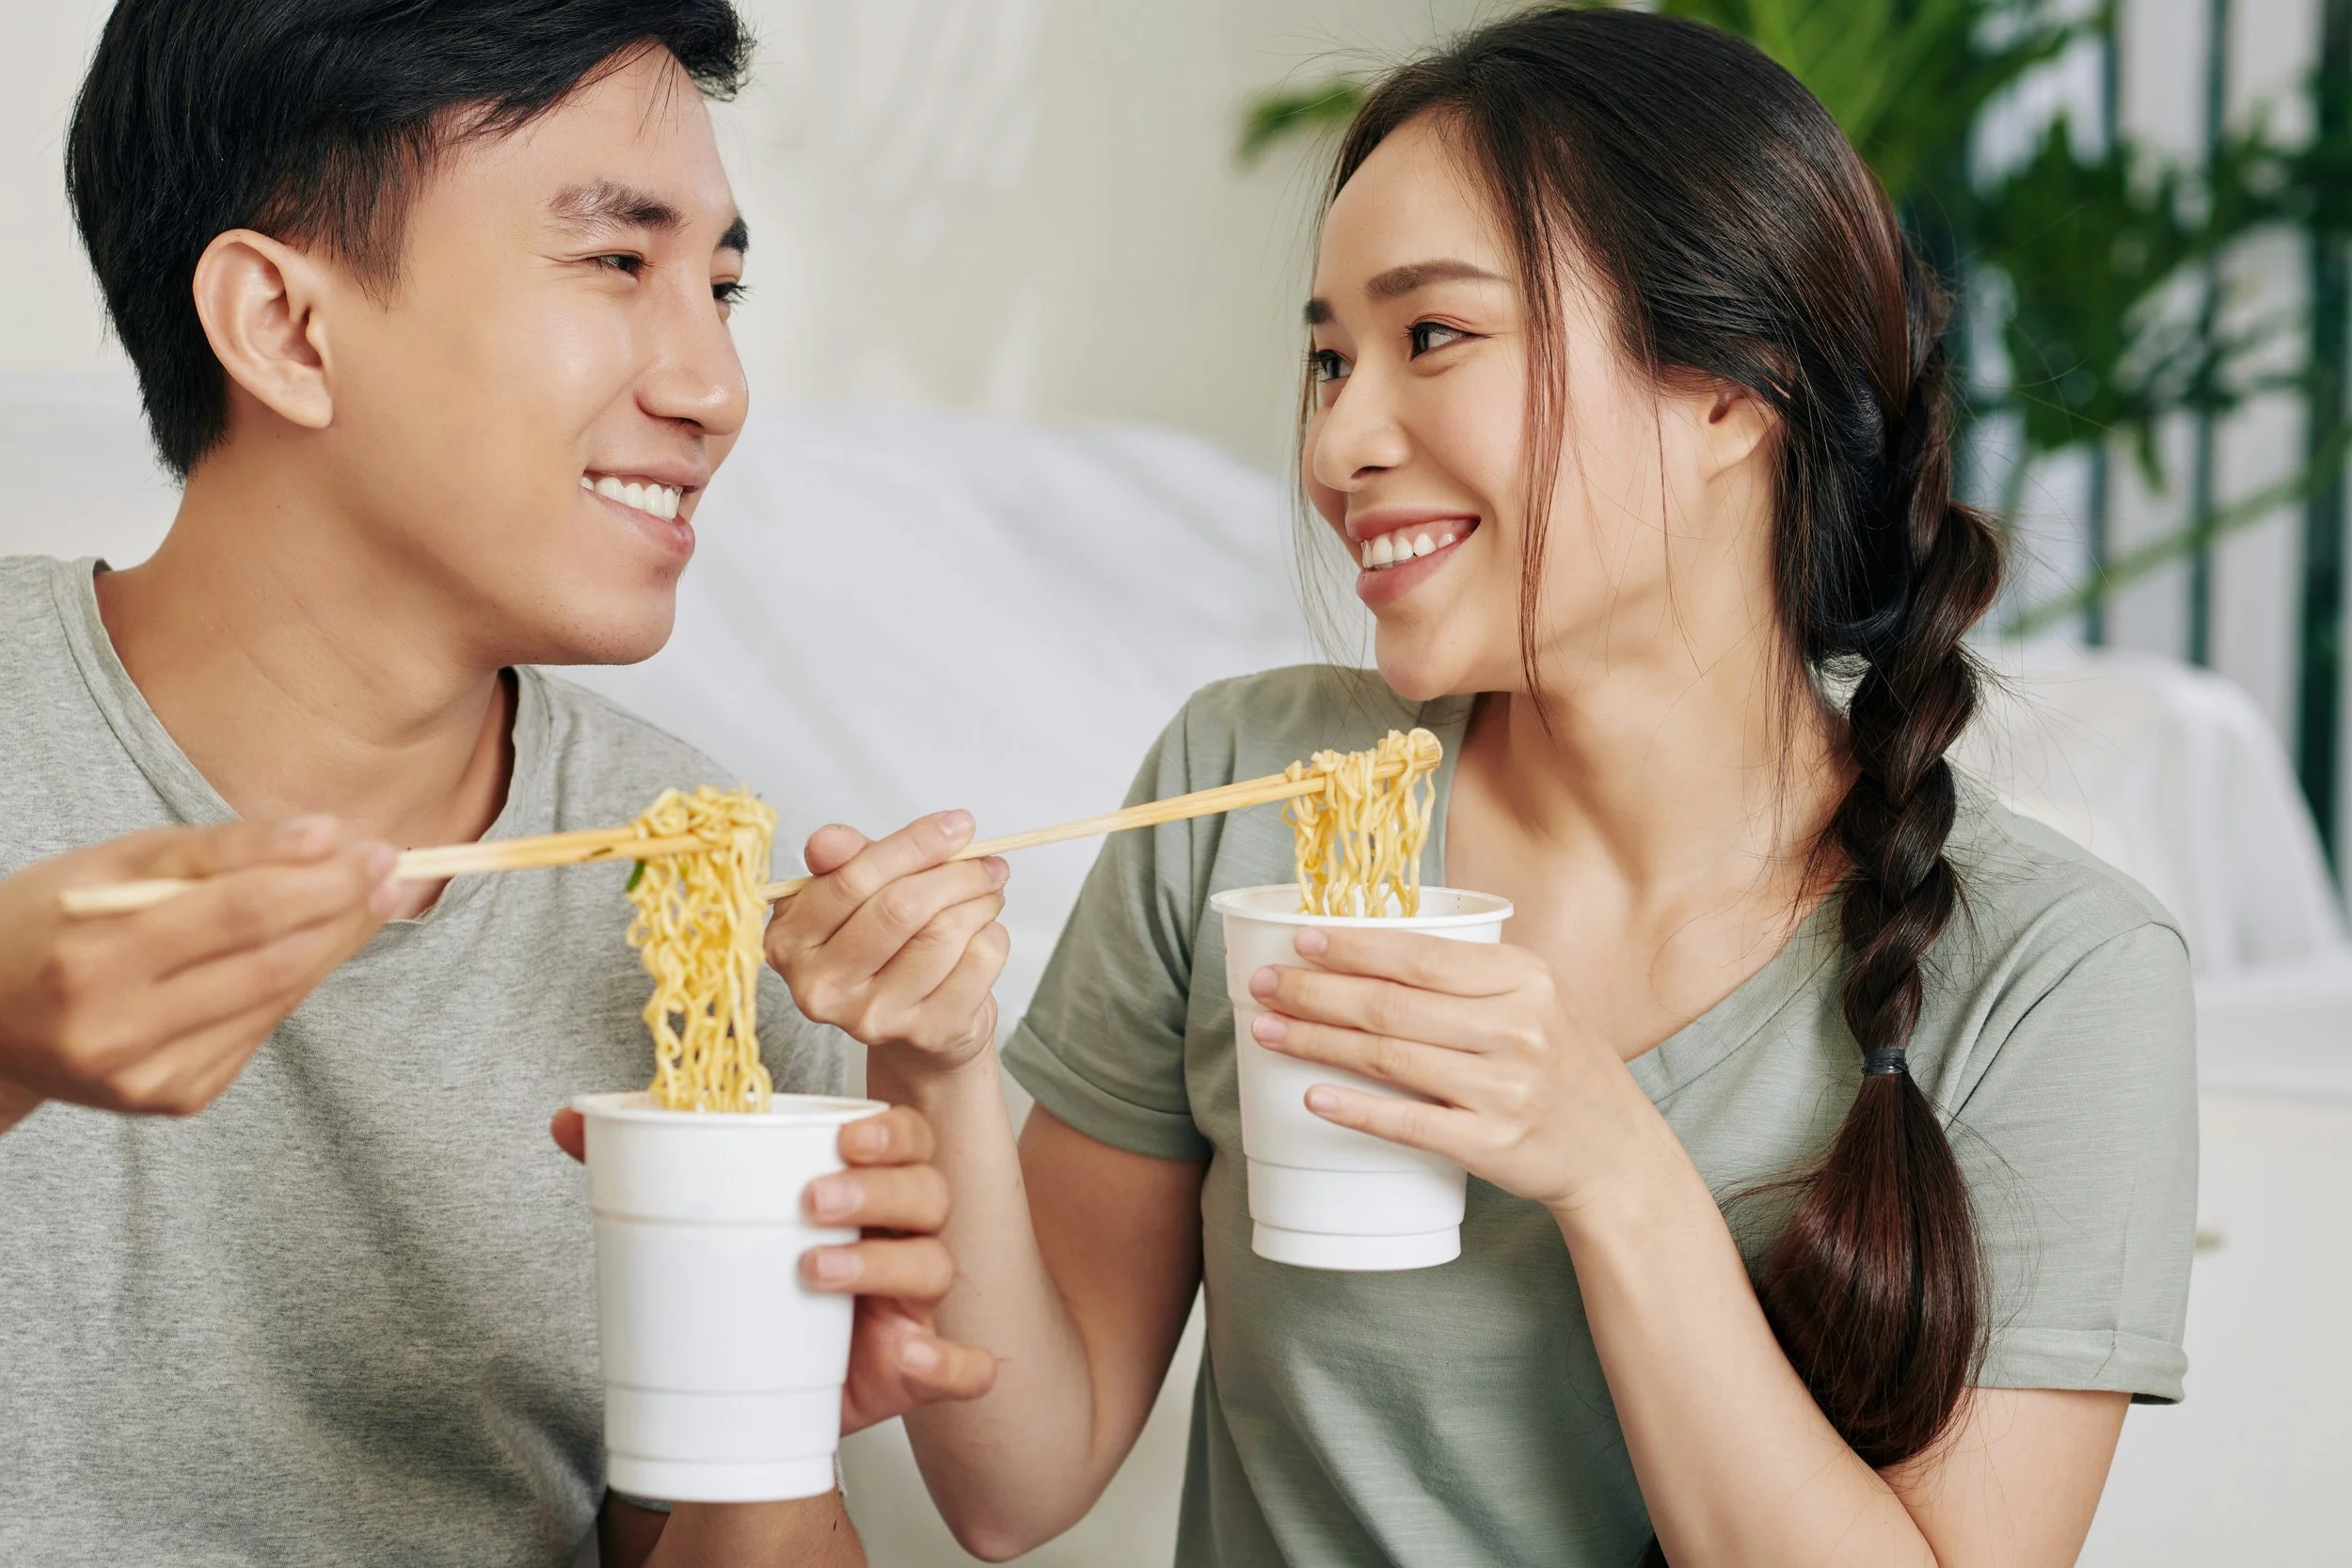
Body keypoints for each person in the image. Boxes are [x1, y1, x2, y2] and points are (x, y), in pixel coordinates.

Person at [772, 8, 2199, 1566]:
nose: (1338, 441)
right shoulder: (1245, 786)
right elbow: (1011, 1480)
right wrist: (937, 1060)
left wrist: (1608, 1165)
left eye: (1430, 337)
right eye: (1327, 359)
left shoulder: (2067, 976)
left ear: (1732, 387)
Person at [0, 3, 1004, 1564]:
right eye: (618, 260)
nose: (716, 385)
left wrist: (762, 1424)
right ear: (283, 323)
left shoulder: (709, 892)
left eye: (723, 286)